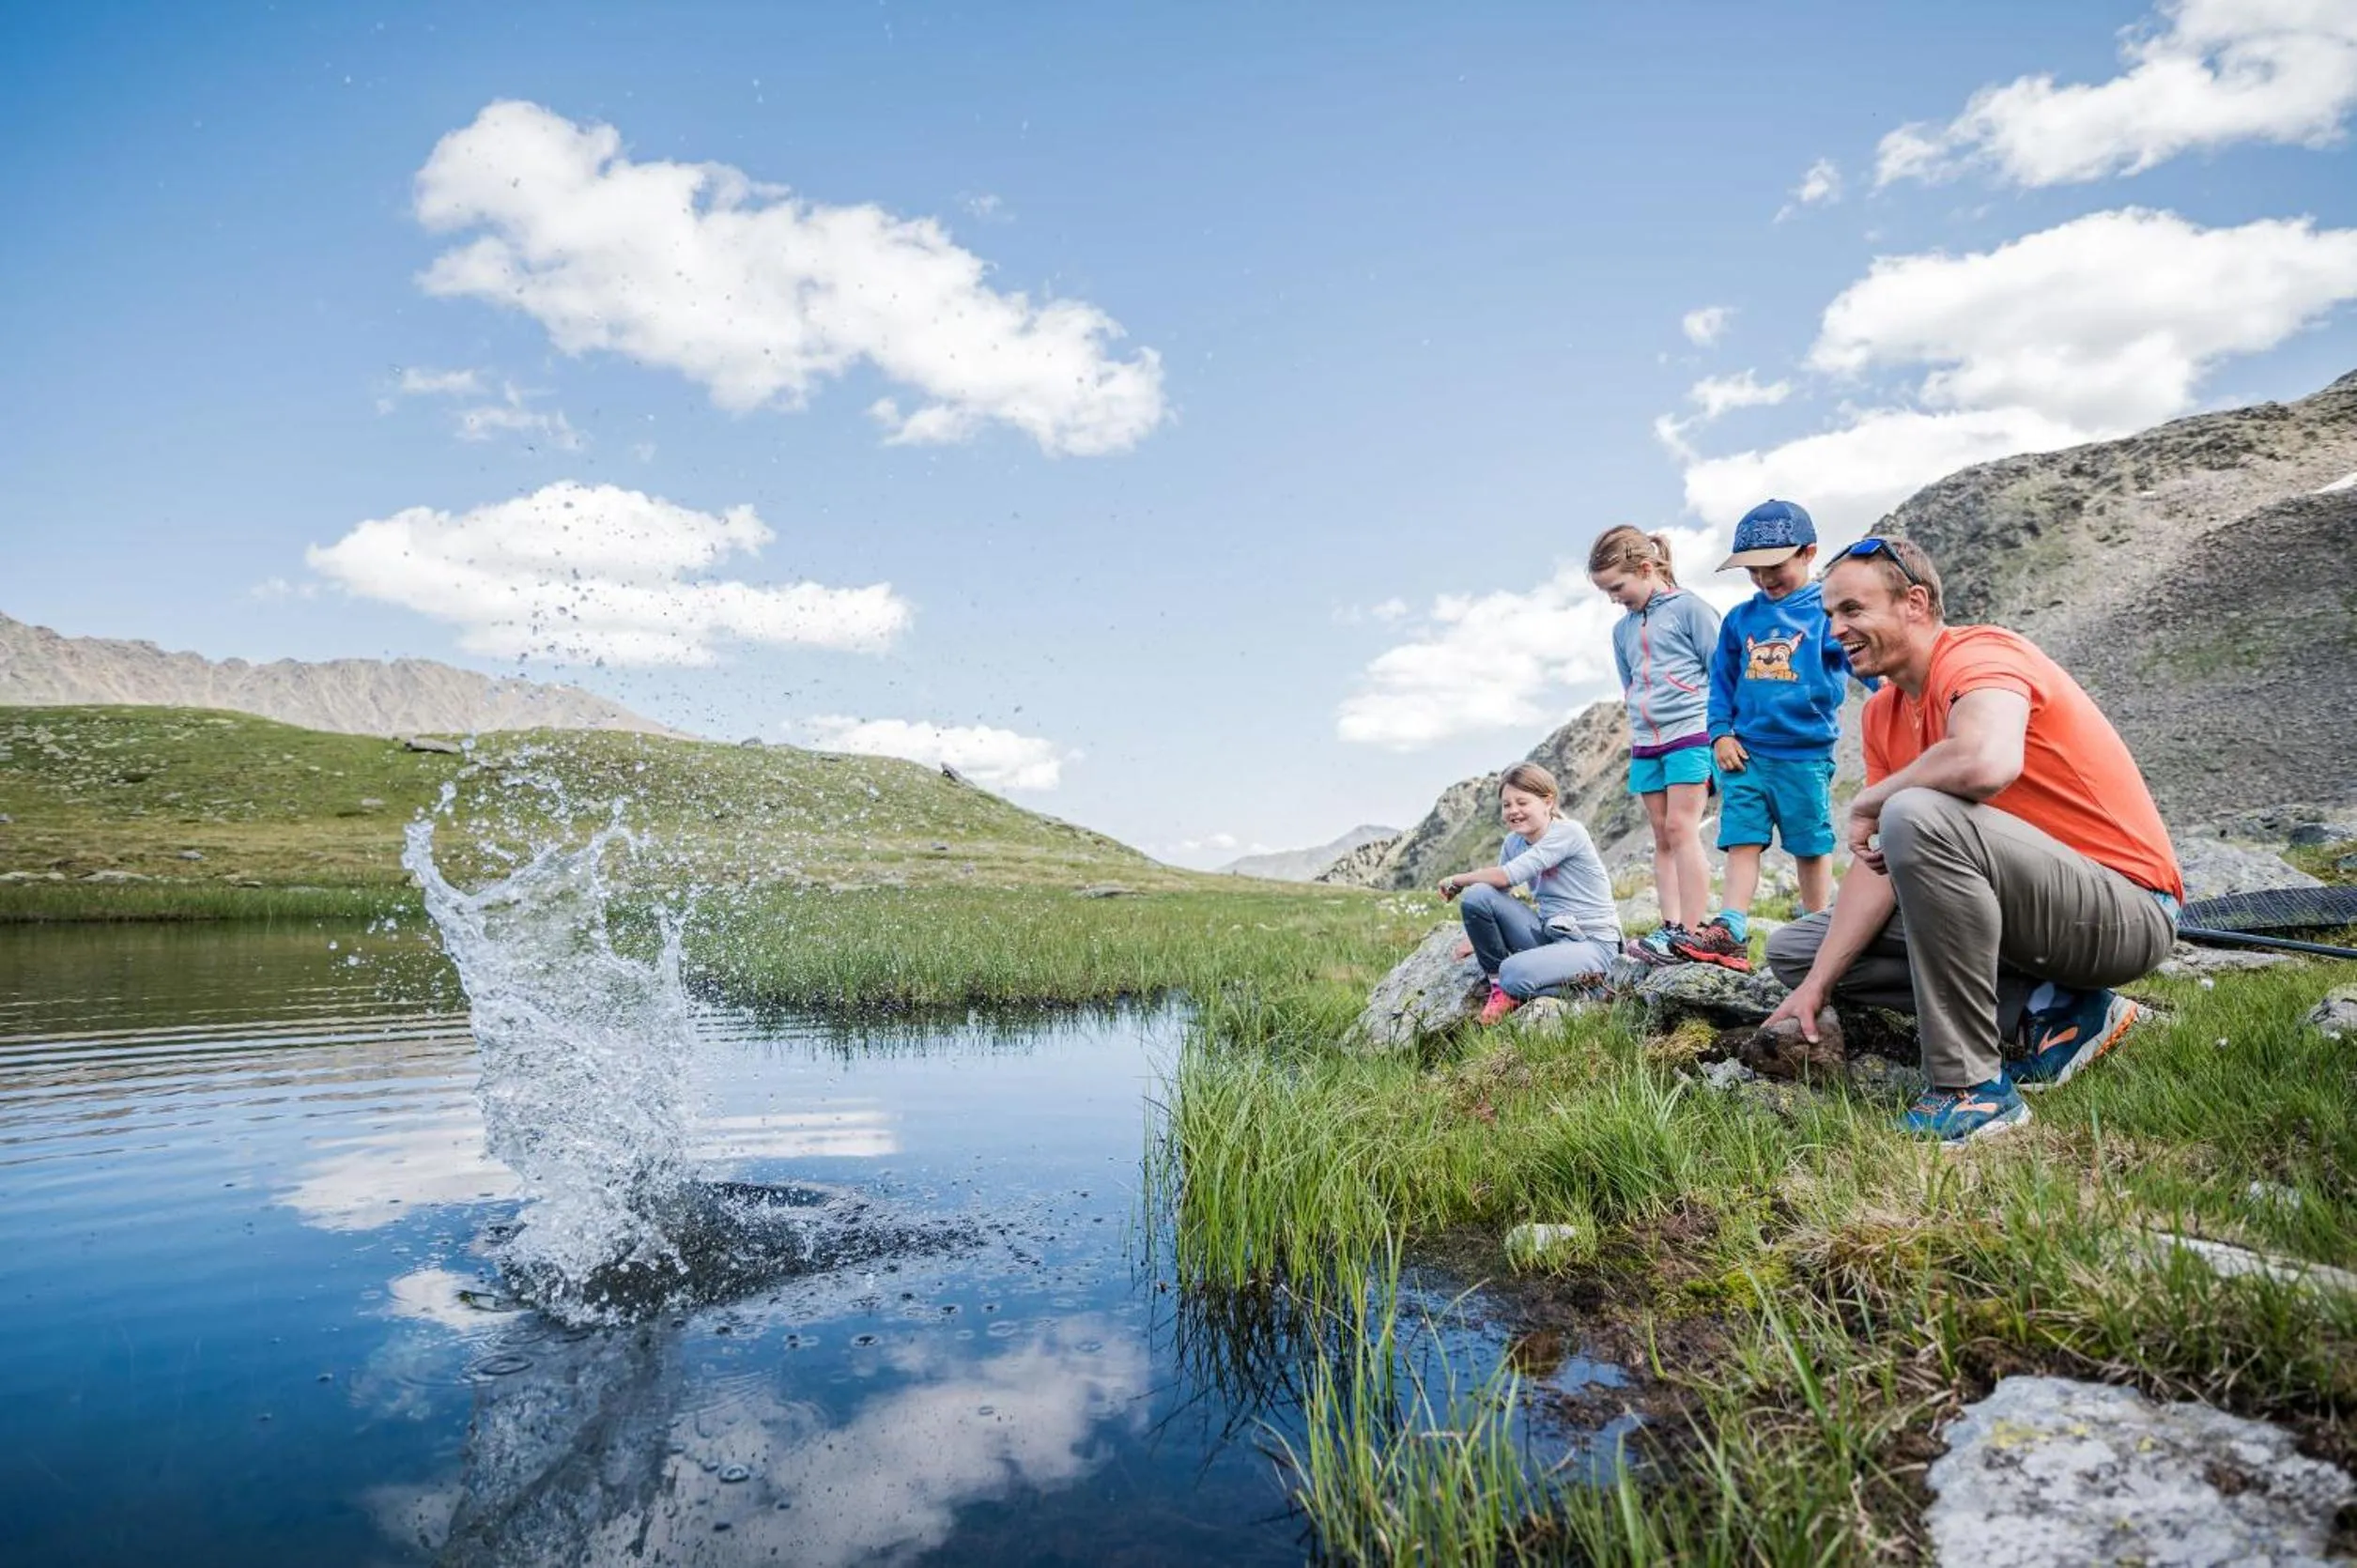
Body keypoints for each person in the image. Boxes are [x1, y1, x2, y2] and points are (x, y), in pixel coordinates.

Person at [1761, 536, 2183, 1144]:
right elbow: (1878, 867)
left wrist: (1872, 800)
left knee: (1916, 813)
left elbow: (1986, 761)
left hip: (2125, 913)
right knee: (1801, 952)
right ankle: (2058, 1013)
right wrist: (1815, 989)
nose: (1835, 631)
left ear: (1915, 602)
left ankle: (1971, 1091)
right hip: (2032, 915)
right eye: (1829, 615)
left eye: (1852, 611)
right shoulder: (1882, 713)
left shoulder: (1981, 654)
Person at [1675, 499, 1869, 972]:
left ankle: (1819, 927)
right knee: (1741, 838)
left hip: (1804, 756)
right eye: (1753, 571)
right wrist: (1719, 733)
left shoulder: (1827, 612)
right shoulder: (1740, 620)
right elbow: (1721, 682)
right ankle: (1732, 929)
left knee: (1810, 844)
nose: (1764, 580)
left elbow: (1864, 661)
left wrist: (1904, 690)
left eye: (1774, 566)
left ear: (1808, 552)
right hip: (1747, 754)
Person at [1589, 525, 1720, 966]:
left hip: (1691, 733)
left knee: (1684, 830)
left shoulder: (1691, 610)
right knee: (1662, 836)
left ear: (1647, 569)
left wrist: (1725, 732)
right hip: (1647, 742)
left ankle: (1695, 931)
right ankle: (1670, 928)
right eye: (1607, 592)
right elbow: (1630, 685)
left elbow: (1721, 672)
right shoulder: (1621, 631)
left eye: (1618, 588)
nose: (1614, 599)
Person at [1439, 761, 1621, 1025]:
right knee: (1478, 895)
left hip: (1594, 944)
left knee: (1512, 972)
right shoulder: (1513, 842)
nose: (1513, 811)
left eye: (1522, 803)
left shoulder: (1569, 833)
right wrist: (1477, 936)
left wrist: (1457, 880)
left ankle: (1594, 990)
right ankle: (1500, 990)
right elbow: (1497, 889)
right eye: (1506, 805)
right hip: (1551, 935)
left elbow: (1506, 875)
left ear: (1548, 802)